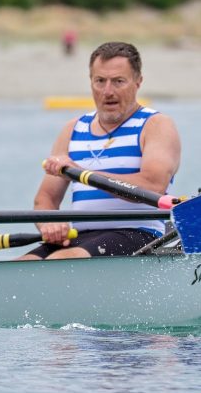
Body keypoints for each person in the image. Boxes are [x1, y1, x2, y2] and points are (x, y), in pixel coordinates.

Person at [20, 41, 181, 260]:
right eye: (100, 81)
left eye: (118, 81)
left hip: (139, 234)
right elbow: (45, 199)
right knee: (24, 264)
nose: (108, 91)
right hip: (82, 236)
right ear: (91, 82)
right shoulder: (72, 129)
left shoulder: (156, 125)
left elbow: (153, 186)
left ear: (138, 82)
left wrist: (83, 173)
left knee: (61, 260)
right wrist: (50, 223)